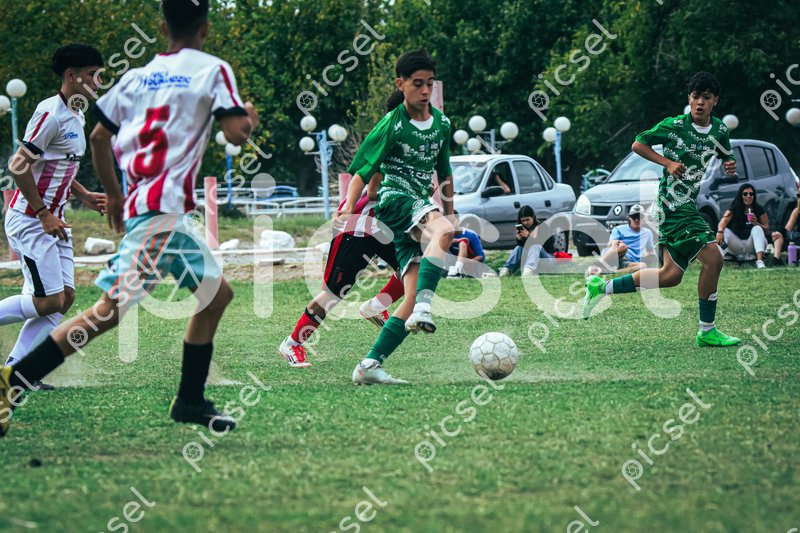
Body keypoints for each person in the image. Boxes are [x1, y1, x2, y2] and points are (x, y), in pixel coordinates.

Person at [0, 0, 259, 437]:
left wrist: (117, 193)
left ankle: (189, 400)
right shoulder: (213, 70)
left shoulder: (138, 77)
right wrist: (248, 121)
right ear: (205, 29)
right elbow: (235, 133)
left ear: (162, 26)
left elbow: (100, 136)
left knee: (214, 296)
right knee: (108, 312)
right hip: (161, 216)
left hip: (156, 212)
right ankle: (13, 380)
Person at [582, 71, 741, 347]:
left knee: (670, 276)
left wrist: (729, 163)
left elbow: (726, 154)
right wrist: (666, 163)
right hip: (673, 205)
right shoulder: (674, 126)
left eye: (706, 97)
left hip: (684, 206)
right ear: (689, 99)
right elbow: (638, 144)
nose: (699, 102)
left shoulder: (720, 130)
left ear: (715, 100)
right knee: (714, 258)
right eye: (695, 97)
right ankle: (707, 330)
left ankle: (601, 287)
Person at [339, 49, 454, 385]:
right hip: (394, 201)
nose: (424, 90)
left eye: (429, 83)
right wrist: (348, 205)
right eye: (417, 83)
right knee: (442, 232)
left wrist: (450, 212)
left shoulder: (442, 124)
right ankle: (425, 308)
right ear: (400, 84)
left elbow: (445, 172)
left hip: (416, 207)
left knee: (410, 295)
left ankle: (369, 366)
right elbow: (363, 170)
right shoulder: (392, 123)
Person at [1, 44, 107, 391]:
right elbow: (19, 166)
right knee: (48, 301)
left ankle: (15, 372)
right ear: (71, 75)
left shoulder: (77, 113)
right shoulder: (50, 113)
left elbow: (57, 164)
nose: (98, 80)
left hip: (55, 221)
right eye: (92, 74)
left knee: (66, 297)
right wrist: (43, 213)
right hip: (32, 220)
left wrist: (83, 194)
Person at [277, 93, 408, 368]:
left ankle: (375, 307)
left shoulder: (412, 142)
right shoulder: (385, 139)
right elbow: (372, 190)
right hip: (358, 227)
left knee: (412, 268)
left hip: (384, 226)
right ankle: (292, 344)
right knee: (333, 295)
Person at [717, 183, 769, 268]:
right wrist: (720, 231)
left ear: (754, 196)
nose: (748, 196)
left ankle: (760, 261)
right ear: (741, 196)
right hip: (736, 245)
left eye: (751, 194)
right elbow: (723, 221)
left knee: (757, 228)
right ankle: (718, 263)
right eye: (745, 194)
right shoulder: (734, 207)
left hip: (751, 245)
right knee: (724, 231)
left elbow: (766, 229)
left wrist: (756, 223)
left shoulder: (759, 209)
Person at [596, 204, 655, 272]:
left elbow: (650, 250)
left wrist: (651, 255)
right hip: (614, 256)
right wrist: (614, 242)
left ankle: (610, 272)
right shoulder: (618, 229)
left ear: (643, 218)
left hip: (629, 261)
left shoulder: (648, 233)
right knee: (622, 246)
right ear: (629, 217)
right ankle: (597, 265)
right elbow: (610, 243)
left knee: (643, 266)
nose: (636, 220)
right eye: (634, 217)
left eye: (639, 217)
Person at [498, 205, 552, 277]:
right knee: (519, 248)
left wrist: (529, 236)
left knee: (535, 246)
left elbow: (547, 246)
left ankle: (529, 271)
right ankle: (507, 269)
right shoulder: (524, 229)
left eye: (527, 219)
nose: (525, 223)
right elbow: (524, 248)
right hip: (533, 260)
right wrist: (520, 239)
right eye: (523, 221)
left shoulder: (543, 226)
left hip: (547, 259)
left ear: (533, 217)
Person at [771, 188, 800, 263]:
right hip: (797, 241)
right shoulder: (797, 211)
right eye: (798, 195)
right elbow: (787, 229)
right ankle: (776, 259)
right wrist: (778, 233)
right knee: (778, 234)